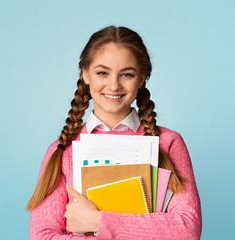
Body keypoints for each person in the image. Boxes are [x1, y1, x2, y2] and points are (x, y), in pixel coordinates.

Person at [26, 26, 202, 239]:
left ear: (141, 78)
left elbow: (187, 230)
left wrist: (98, 222)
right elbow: (43, 236)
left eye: (126, 74)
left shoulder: (168, 142)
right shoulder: (63, 150)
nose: (113, 85)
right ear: (86, 74)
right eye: (102, 73)